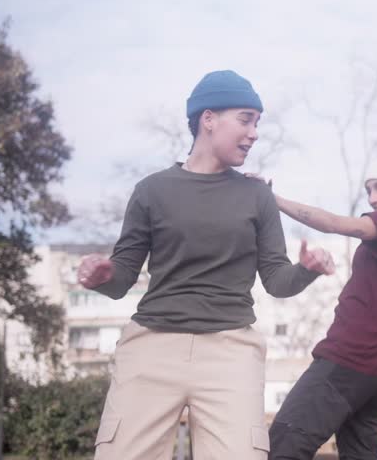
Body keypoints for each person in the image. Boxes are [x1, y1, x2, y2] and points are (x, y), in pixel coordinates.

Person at [77, 70, 335, 460]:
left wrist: (308, 269)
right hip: (151, 347)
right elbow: (122, 278)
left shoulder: (257, 196)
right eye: (246, 119)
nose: (254, 133)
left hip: (230, 353)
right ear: (208, 119)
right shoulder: (152, 190)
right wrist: (102, 274)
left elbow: (278, 282)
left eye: (257, 123)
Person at [261, 118, 377, 459]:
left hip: (347, 364)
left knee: (284, 445)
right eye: (369, 189)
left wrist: (273, 199)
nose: (373, 198)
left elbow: (332, 223)